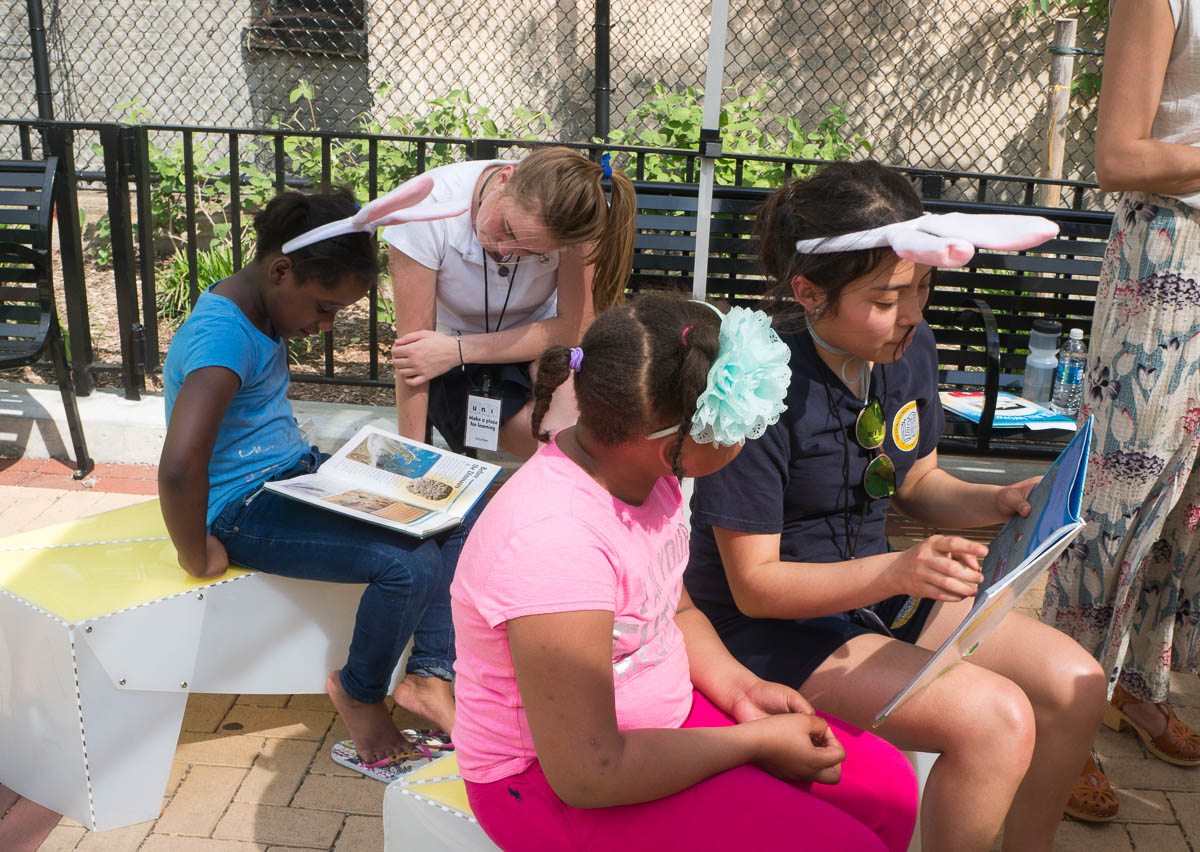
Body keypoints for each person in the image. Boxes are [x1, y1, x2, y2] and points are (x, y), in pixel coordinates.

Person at [684, 160, 1108, 852]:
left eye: (922, 289)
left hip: (876, 593)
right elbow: (755, 587)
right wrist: (898, 571)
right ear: (810, 294)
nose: (910, 314)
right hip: (774, 630)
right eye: (885, 298)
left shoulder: (909, 347)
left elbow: (917, 481)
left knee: (1077, 684)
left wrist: (996, 500)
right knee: (995, 720)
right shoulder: (760, 387)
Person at [449, 292, 919, 852]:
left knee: (888, 790)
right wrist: (755, 743)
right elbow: (589, 773)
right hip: (549, 783)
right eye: (739, 423)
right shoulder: (554, 543)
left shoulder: (650, 477)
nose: (747, 439)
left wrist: (742, 690)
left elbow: (676, 609)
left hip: (653, 725)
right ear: (673, 443)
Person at [158, 181, 476, 778]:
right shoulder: (223, 335)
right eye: (325, 307)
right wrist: (194, 551)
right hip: (241, 507)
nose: (328, 325)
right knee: (409, 566)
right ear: (281, 270)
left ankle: (430, 677)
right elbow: (179, 464)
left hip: (296, 474)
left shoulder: (261, 308)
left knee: (463, 506)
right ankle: (361, 692)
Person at [1041, 0, 1200, 819]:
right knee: (1114, 501)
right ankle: (1060, 714)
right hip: (1170, 253)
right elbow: (1117, 155)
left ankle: (1138, 686)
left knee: (1187, 508)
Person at [385, 146, 636, 458]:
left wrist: (461, 349)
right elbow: (414, 354)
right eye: (506, 228)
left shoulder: (577, 217)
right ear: (504, 178)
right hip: (451, 363)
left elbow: (573, 330)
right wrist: (410, 456)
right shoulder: (426, 210)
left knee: (589, 438)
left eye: (529, 251)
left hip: (535, 348)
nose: (504, 250)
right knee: (566, 452)